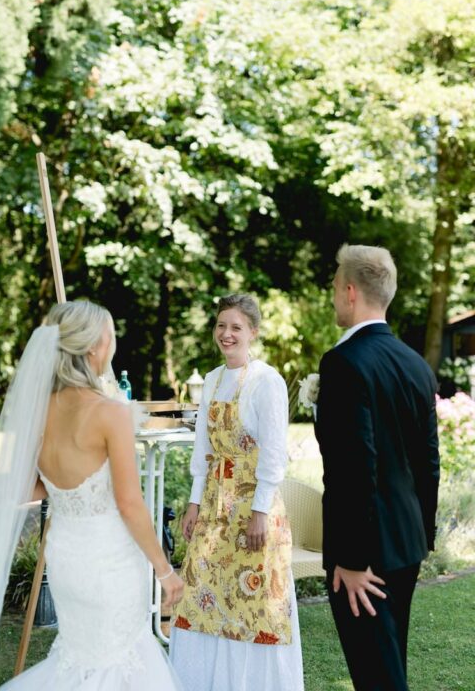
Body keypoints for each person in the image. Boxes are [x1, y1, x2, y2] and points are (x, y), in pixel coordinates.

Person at [0, 301, 184, 690]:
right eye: (111, 334)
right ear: (94, 347)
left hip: (66, 558)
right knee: (119, 659)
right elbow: (129, 503)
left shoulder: (40, 408)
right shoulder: (110, 413)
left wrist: (63, 487)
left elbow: (29, 485)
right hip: (109, 562)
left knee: (82, 657)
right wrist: (164, 570)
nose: (114, 343)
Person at [315, 245, 438, 690]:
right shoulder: (416, 365)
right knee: (388, 667)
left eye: (334, 288)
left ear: (350, 292)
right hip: (406, 544)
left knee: (377, 678)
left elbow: (352, 468)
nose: (333, 297)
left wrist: (349, 559)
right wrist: (423, 532)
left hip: (363, 559)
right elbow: (429, 462)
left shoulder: (344, 364)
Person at [170, 293, 304, 691]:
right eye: (221, 325)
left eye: (236, 327)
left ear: (253, 333)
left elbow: (275, 455)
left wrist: (260, 512)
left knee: (255, 606)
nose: (226, 335)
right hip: (213, 506)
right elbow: (203, 451)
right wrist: (194, 503)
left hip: (253, 508)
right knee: (201, 599)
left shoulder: (267, 381)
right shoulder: (211, 379)